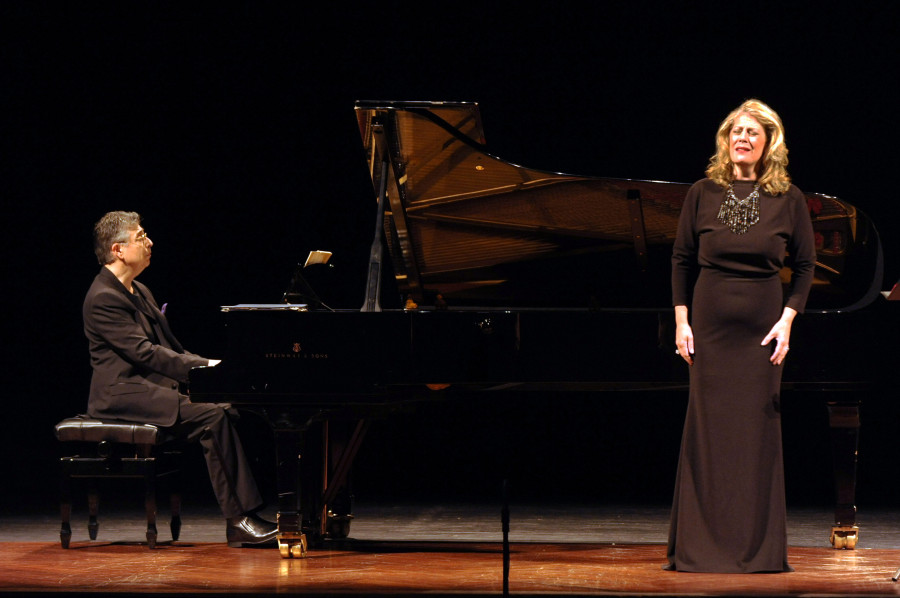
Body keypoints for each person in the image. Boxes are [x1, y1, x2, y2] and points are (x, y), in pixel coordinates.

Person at [666, 99, 816, 573]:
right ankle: (699, 549)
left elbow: (807, 266)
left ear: (769, 142)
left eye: (753, 132)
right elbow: (681, 260)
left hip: (762, 335)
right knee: (708, 434)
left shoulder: (788, 198)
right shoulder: (702, 192)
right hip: (709, 330)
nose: (743, 138)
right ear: (725, 140)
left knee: (755, 435)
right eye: (736, 131)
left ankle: (758, 550)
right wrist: (681, 320)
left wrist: (788, 319)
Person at [82, 211, 278, 547]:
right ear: (117, 249)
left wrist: (214, 369)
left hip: (147, 389)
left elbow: (170, 348)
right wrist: (208, 367)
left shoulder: (138, 289)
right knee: (211, 417)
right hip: (121, 395)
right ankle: (239, 521)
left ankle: (270, 508)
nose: (149, 242)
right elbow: (146, 355)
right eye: (141, 236)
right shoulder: (103, 298)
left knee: (230, 408)